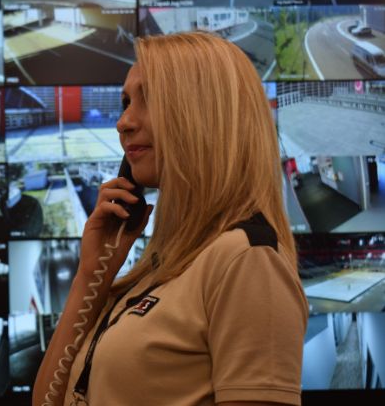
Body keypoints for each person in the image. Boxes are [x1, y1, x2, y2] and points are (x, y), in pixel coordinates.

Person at [33, 31, 308, 406]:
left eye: (149, 99)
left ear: (205, 113)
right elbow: (47, 401)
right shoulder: (158, 271)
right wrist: (91, 275)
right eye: (126, 102)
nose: (123, 122)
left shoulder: (246, 260)